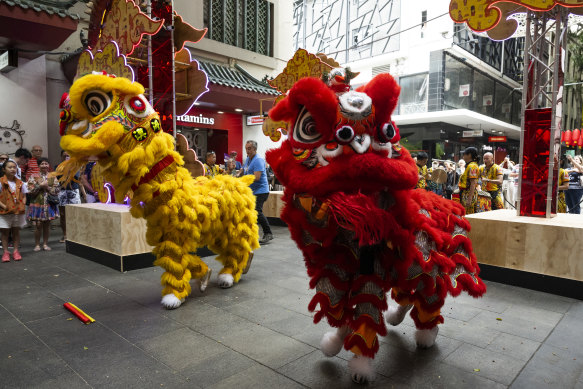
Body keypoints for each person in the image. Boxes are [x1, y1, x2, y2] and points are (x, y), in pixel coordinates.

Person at [241, 140, 273, 244]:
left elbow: (257, 177)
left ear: (255, 149)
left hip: (261, 191)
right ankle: (249, 234)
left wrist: (243, 180)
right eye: (246, 148)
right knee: (249, 212)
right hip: (252, 191)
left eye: (249, 148)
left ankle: (268, 233)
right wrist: (236, 176)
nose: (247, 151)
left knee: (257, 211)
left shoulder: (258, 160)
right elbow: (243, 170)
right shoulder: (248, 160)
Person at [27, 158, 60, 251]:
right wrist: (40, 186)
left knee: (47, 225)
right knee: (38, 225)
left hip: (49, 204)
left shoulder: (52, 176)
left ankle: (45, 244)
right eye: (42, 164)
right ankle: (37, 244)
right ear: (39, 165)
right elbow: (29, 190)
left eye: (46, 164)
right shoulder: (33, 176)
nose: (44, 165)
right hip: (37, 204)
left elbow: (57, 190)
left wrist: (48, 188)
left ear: (48, 165)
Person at [0, 160, 27, 262]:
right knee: (5, 232)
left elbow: (24, 195)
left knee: (16, 231)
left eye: (14, 167)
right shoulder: (1, 182)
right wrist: (4, 206)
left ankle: (16, 251)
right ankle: (6, 252)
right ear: (4, 169)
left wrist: (23, 203)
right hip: (4, 212)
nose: (12, 169)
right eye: (9, 167)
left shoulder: (20, 183)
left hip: (17, 211)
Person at [57, 151, 85, 242]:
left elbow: (80, 182)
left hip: (74, 192)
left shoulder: (78, 168)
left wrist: (84, 195)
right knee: (63, 215)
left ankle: (75, 234)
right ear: (61, 157)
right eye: (64, 156)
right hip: (62, 192)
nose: (66, 157)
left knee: (76, 214)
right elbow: (55, 182)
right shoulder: (57, 168)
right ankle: (65, 234)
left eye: (68, 156)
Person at [458, 147, 480, 214]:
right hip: (466, 193)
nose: (463, 156)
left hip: (468, 194)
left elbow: (473, 183)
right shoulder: (470, 165)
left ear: (469, 155)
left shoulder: (472, 166)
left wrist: (469, 198)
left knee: (468, 215)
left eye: (464, 154)